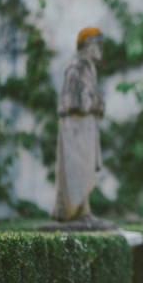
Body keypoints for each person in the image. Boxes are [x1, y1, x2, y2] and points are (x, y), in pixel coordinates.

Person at [52, 27, 105, 222]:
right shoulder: (76, 68)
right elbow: (70, 102)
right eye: (97, 44)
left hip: (87, 127)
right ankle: (72, 212)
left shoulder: (90, 68)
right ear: (88, 46)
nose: (100, 49)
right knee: (76, 171)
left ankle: (83, 210)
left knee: (86, 171)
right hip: (75, 128)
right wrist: (93, 102)